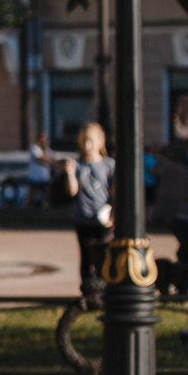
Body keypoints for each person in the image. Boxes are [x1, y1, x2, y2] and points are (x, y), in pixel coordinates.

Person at [71, 123, 114, 299]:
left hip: (102, 219)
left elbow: (114, 191)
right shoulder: (78, 165)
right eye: (83, 141)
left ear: (100, 141)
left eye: (89, 141)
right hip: (83, 218)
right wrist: (68, 173)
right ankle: (88, 293)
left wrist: (113, 215)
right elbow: (72, 191)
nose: (86, 146)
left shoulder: (109, 164)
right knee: (86, 256)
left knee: (104, 257)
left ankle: (103, 291)